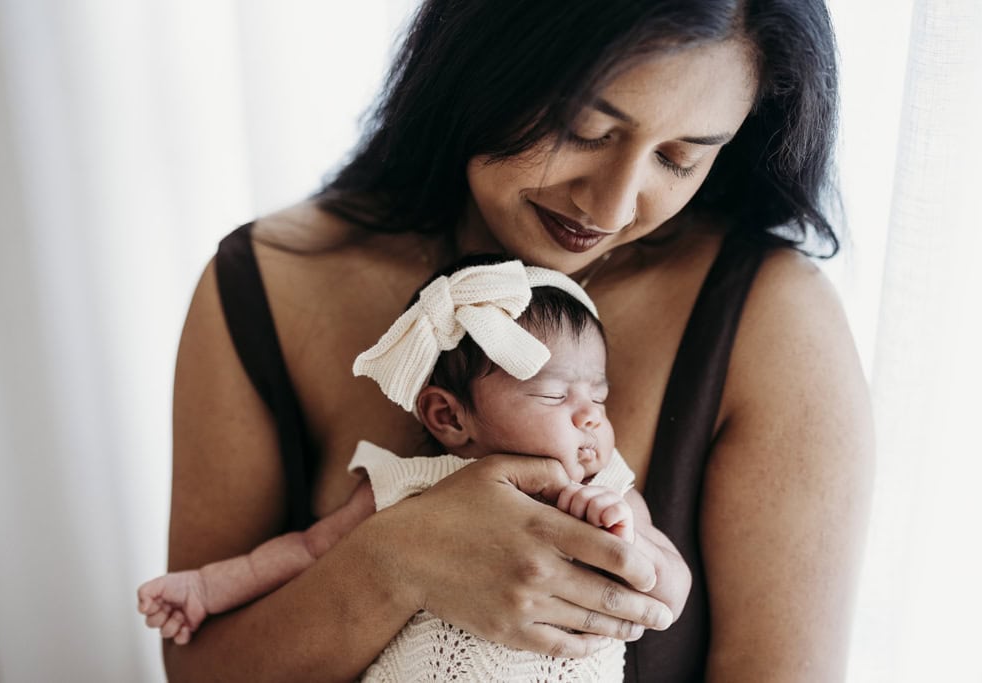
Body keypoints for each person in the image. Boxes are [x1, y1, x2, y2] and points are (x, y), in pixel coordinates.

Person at [161, 1, 874, 681]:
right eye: (586, 129)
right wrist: (397, 559)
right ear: (482, 55)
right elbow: (195, 665)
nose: (613, 206)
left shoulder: (773, 321)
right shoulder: (265, 285)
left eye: (680, 158)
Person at [142, 257, 650, 679]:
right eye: (555, 395)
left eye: (598, 398)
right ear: (448, 416)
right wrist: (207, 588)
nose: (590, 416)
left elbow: (664, 584)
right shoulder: (408, 488)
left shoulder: (604, 490)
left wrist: (619, 532)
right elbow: (306, 550)